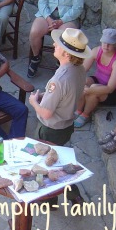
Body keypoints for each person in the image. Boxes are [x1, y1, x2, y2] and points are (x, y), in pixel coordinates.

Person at [28, 28, 91, 206]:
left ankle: (50, 200)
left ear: (65, 52)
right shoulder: (79, 69)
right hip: (66, 125)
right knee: (60, 162)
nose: (54, 44)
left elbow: (47, 113)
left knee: (47, 165)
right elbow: (71, 96)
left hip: (50, 129)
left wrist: (34, 101)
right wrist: (46, 98)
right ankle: (74, 198)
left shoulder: (59, 79)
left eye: (58, 43)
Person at [27, 0, 85, 78]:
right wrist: (49, 18)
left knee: (65, 36)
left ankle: (61, 63)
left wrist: (61, 21)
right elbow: (42, 2)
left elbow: (77, 8)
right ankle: (36, 57)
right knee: (34, 32)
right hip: (47, 15)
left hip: (66, 18)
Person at [73, 28, 116, 127]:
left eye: (109, 43)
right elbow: (82, 70)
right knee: (83, 81)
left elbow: (110, 88)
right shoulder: (97, 50)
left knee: (93, 89)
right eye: (104, 42)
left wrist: (89, 91)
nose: (106, 46)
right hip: (99, 81)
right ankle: (79, 110)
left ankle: (85, 115)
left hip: (115, 92)